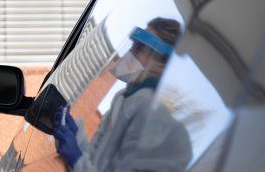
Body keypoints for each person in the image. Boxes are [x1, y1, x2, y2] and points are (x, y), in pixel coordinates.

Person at [53, 18, 192, 172]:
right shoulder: (123, 97)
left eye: (140, 48)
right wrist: (75, 136)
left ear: (162, 66)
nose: (130, 53)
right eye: (133, 45)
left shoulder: (156, 117)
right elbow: (97, 162)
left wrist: (77, 159)